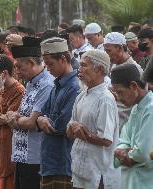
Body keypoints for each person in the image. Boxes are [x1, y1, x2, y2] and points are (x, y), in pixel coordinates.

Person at [66, 49, 120, 189]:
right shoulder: (82, 95)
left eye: (84, 65)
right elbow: (70, 129)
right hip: (80, 170)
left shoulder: (106, 99)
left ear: (100, 69)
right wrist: (73, 128)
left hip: (98, 174)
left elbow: (106, 139)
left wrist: (83, 133)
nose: (79, 69)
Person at [6, 37, 54, 189]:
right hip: (22, 154)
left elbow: (31, 122)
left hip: (35, 157)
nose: (18, 73)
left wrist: (14, 119)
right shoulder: (31, 83)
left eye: (20, 68)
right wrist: (15, 117)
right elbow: (20, 113)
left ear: (32, 63)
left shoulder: (46, 84)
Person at [37, 37, 80, 189]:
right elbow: (42, 114)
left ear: (63, 59)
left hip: (62, 163)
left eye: (50, 64)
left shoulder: (74, 88)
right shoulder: (56, 85)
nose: (47, 68)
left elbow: (62, 126)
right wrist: (41, 120)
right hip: (49, 161)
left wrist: (42, 120)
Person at [0, 54, 25, 189]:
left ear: (5, 73)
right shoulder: (1, 90)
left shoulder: (19, 91)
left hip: (9, 144)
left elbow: (10, 118)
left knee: (7, 181)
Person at [111, 64, 153, 189]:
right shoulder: (136, 107)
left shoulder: (150, 108)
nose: (118, 98)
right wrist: (123, 151)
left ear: (133, 86)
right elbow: (123, 140)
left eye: (120, 92)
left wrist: (131, 155)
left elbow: (143, 152)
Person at [104, 32, 143, 130]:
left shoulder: (135, 69)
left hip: (126, 124)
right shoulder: (113, 65)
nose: (107, 54)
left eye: (108, 51)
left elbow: (141, 99)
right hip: (113, 122)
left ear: (120, 48)